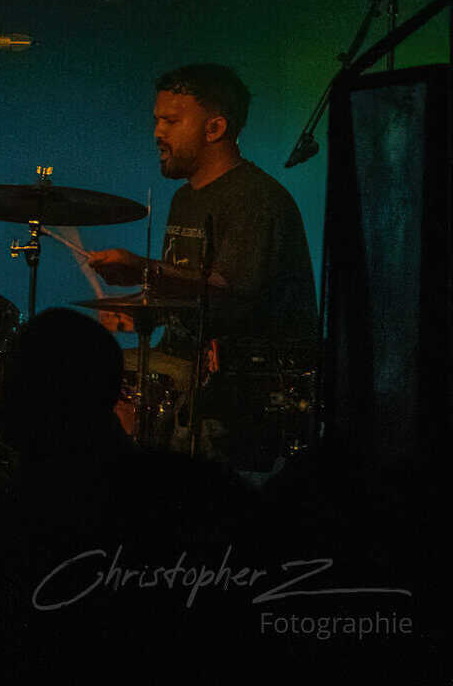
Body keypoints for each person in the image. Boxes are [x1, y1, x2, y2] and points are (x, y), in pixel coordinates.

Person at [84, 63, 317, 468]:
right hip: (180, 362)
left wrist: (145, 270)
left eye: (171, 121)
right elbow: (186, 290)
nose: (157, 133)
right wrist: (137, 311)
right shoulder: (186, 198)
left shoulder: (255, 199)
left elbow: (231, 294)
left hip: (239, 384)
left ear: (214, 128)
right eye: (157, 120)